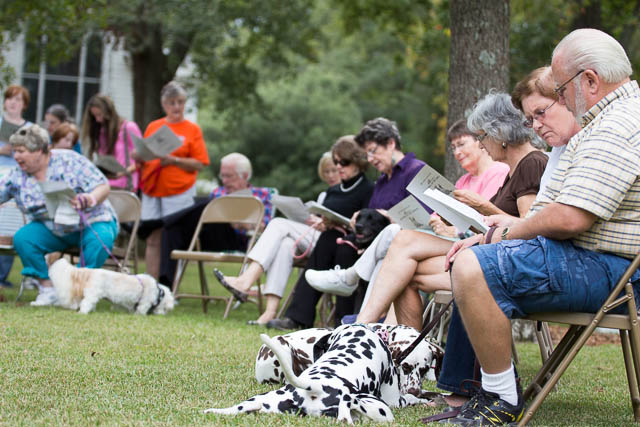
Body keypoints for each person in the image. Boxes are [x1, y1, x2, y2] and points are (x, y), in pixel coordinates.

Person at [432, 29, 640, 425]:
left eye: (561, 90)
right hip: (600, 262)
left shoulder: (617, 126)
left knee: (475, 267)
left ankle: (500, 402)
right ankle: (482, 393)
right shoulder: (609, 121)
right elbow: (558, 213)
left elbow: (570, 217)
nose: (560, 99)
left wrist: (502, 234)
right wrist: (490, 235)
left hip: (615, 273)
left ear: (591, 80)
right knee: (476, 258)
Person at [305, 120, 510, 307]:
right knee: (351, 243)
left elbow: (482, 220)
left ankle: (352, 284)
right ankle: (364, 320)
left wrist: (442, 225)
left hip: (464, 246)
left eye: (461, 144)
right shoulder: (462, 181)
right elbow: (441, 215)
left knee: (395, 238)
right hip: (412, 243)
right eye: (453, 147)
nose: (456, 152)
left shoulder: (497, 172)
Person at [266, 117, 425, 330]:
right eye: (367, 153)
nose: (370, 159)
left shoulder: (416, 171)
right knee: (331, 237)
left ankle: (345, 308)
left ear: (390, 144)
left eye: (373, 151)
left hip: (401, 245)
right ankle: (300, 316)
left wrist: (386, 215)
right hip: (372, 243)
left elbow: (425, 219)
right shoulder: (382, 181)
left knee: (344, 249)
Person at [213, 141, 353, 325]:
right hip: (316, 239)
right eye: (326, 172)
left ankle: (245, 281)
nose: (330, 176)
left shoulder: (354, 191)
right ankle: (270, 312)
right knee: (285, 244)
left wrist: (326, 222)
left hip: (335, 242)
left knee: (278, 224)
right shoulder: (325, 195)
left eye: (334, 170)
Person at [0, 125, 118, 306]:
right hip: (52, 228)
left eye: (21, 151)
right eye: (15, 151)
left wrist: (90, 198)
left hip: (90, 221)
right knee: (23, 238)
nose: (16, 157)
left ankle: (78, 292)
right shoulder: (16, 176)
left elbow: (103, 185)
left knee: (100, 238)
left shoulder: (69, 160)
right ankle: (48, 289)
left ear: (39, 150)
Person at [159, 152, 273, 287]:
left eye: (229, 176)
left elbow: (265, 229)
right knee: (172, 229)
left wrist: (243, 222)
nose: (224, 181)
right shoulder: (217, 192)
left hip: (239, 240)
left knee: (204, 205)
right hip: (211, 236)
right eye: (222, 176)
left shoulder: (262, 195)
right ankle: (165, 286)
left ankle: (159, 222)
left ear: (245, 176)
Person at [135, 81, 210, 280]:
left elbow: (200, 163)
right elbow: (146, 154)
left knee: (173, 238)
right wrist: (139, 155)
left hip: (179, 190)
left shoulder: (192, 129)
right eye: (171, 102)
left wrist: (174, 160)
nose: (176, 107)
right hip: (152, 187)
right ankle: (150, 283)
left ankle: (170, 284)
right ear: (164, 105)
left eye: (180, 102)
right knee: (153, 237)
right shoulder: (154, 126)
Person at [0, 85, 32, 287]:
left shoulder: (29, 129)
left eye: (18, 100)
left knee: (9, 225)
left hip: (16, 179)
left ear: (24, 105)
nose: (13, 103)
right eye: (10, 98)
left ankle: (2, 276)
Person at [82, 94, 142, 191]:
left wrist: (123, 172)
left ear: (108, 112)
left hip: (126, 187)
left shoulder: (129, 128)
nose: (98, 120)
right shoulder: (102, 132)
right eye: (94, 116)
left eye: (99, 115)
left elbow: (143, 160)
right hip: (106, 186)